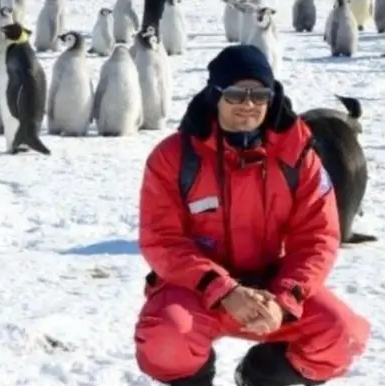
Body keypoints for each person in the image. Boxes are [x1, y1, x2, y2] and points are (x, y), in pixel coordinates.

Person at [134, 45, 370, 386]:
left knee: (341, 335)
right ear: (215, 95)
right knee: (167, 338)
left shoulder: (297, 156)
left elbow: (318, 237)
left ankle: (261, 375)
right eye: (236, 94)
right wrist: (224, 290)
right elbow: (162, 239)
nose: (249, 104)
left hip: (272, 286)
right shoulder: (175, 157)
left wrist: (284, 301)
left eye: (260, 95)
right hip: (195, 285)